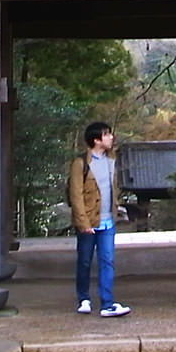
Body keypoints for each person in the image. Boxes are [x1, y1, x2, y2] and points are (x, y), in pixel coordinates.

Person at [66, 121, 130, 317]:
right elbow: (76, 195)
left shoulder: (111, 159)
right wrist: (83, 223)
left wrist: (117, 209)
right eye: (107, 134)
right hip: (89, 221)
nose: (111, 137)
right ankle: (83, 298)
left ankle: (107, 303)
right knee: (84, 261)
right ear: (96, 139)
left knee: (107, 260)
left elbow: (113, 188)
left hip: (107, 220)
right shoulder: (81, 163)